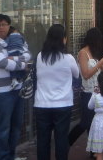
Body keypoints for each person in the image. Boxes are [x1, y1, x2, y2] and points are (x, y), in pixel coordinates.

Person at [0, 14, 30, 160]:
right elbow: (3, 63)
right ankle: (0, 158)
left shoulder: (15, 40)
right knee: (3, 128)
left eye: (4, 24)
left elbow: (28, 55)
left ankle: (11, 156)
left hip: (18, 89)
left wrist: (16, 60)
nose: (1, 28)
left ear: (9, 26)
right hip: (3, 92)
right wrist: (23, 65)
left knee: (16, 127)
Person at [34, 24, 79, 160]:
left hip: (42, 104)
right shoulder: (68, 58)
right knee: (61, 139)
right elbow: (76, 74)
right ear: (63, 39)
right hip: (63, 104)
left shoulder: (40, 56)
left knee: (43, 140)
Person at [68, 28, 103, 147]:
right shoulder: (83, 53)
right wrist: (99, 63)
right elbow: (86, 74)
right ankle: (68, 142)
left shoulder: (94, 53)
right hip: (87, 93)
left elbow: (95, 71)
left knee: (94, 122)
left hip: (97, 92)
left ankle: (94, 149)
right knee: (86, 122)